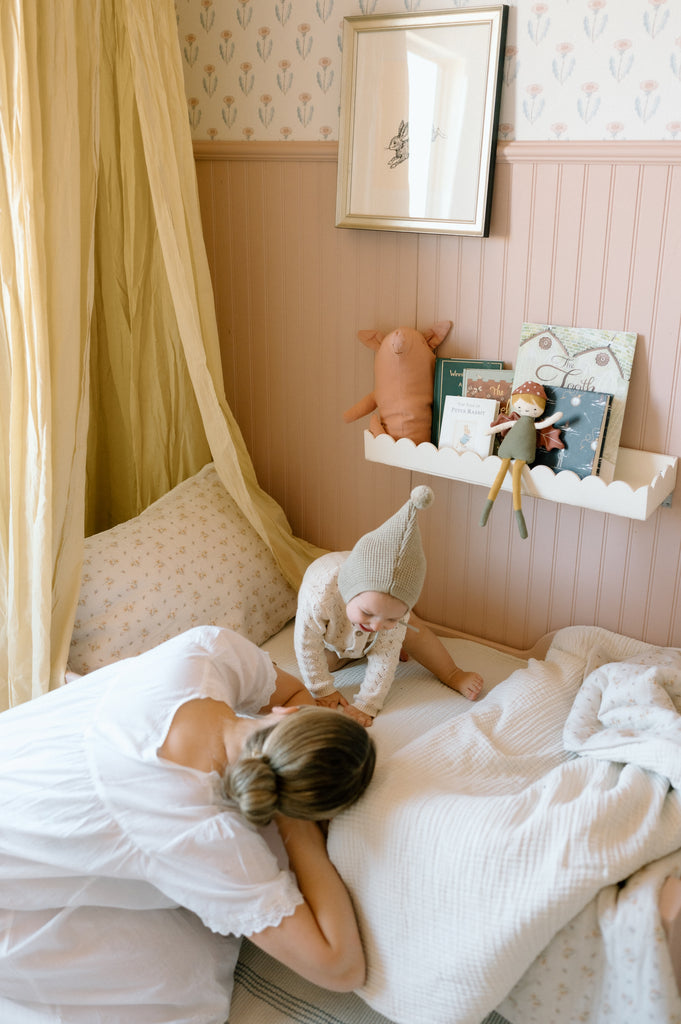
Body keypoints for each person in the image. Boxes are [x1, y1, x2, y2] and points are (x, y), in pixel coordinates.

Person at [0, 625, 376, 1024]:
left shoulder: (205, 653)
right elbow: (341, 968)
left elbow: (291, 692)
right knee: (174, 983)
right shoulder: (207, 836)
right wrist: (299, 829)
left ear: (290, 717)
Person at [294, 486, 484, 728]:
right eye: (367, 613)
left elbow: (386, 658)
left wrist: (367, 704)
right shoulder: (319, 596)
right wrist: (322, 690)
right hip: (331, 633)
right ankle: (363, 649)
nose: (377, 624)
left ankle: (452, 673)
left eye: (392, 618)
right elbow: (306, 645)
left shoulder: (389, 614)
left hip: (378, 616)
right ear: (350, 591)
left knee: (413, 634)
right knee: (321, 662)